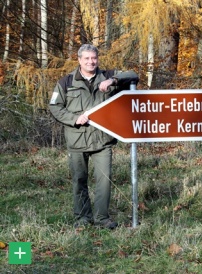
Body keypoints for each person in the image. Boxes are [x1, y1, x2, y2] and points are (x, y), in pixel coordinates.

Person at [49, 44, 139, 229]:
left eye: (94, 58)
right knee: (79, 181)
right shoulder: (66, 82)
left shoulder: (108, 76)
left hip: (102, 141)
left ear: (97, 59)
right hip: (77, 140)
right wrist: (74, 119)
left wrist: (113, 81)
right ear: (79, 60)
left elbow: (133, 75)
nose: (91, 62)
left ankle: (102, 219)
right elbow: (55, 107)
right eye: (87, 59)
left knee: (104, 181)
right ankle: (82, 219)